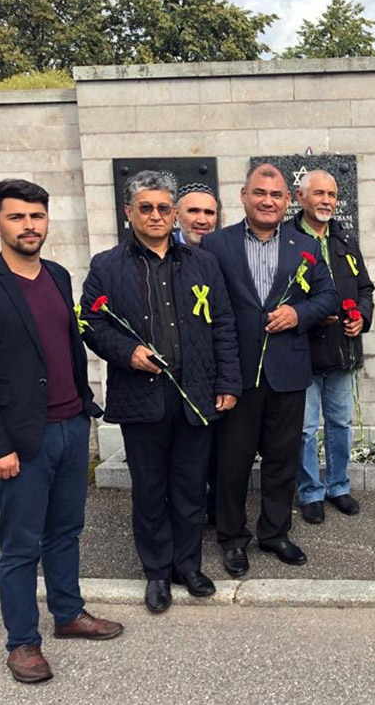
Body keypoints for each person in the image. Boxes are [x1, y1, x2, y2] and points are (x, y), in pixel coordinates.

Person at [0, 179, 122, 684]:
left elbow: (67, 346)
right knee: (21, 546)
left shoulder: (58, 276)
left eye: (37, 216)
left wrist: (84, 409)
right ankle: (22, 642)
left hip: (71, 428)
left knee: (66, 531)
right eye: (17, 217)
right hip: (21, 441)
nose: (29, 226)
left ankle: (68, 613)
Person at [80, 170, 240, 614]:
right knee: (150, 490)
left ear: (174, 214)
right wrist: (127, 352)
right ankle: (156, 571)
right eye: (146, 208)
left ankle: (187, 565)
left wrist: (228, 383)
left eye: (163, 208)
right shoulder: (106, 266)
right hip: (141, 397)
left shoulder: (203, 263)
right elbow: (91, 323)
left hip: (194, 395)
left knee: (190, 488)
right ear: (128, 212)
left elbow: (224, 324)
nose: (155, 215)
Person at [201, 163, 337, 576]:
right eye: (259, 193)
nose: (267, 201)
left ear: (287, 201)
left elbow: (328, 296)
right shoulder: (216, 245)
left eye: (276, 195)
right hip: (236, 374)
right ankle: (232, 538)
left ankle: (275, 532)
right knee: (233, 463)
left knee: (282, 460)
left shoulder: (305, 245)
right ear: (244, 196)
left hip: (287, 371)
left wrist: (298, 314)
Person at [292, 169, 375, 524]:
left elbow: (365, 289)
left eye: (332, 195)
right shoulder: (287, 240)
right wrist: (310, 315)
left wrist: (362, 318)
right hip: (303, 354)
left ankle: (338, 486)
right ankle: (310, 492)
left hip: (342, 350)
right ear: (301, 198)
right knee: (305, 429)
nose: (326, 201)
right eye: (319, 193)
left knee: (340, 423)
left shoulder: (344, 240)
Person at [172, 182, 221, 524]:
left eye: (209, 212)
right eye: (194, 211)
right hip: (176, 376)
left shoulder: (221, 254)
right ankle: (187, 517)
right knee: (183, 461)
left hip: (215, 374)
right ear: (177, 215)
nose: (202, 220)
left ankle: (215, 512)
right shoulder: (163, 255)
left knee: (218, 453)